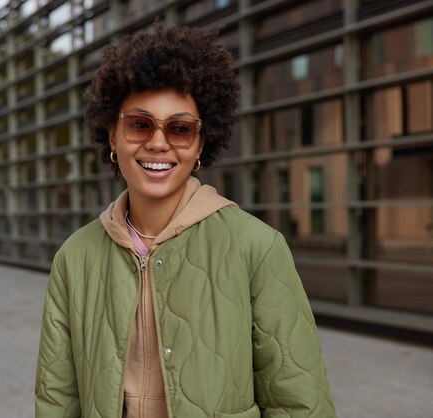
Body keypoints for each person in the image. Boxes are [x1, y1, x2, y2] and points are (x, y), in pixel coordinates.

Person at [35, 26, 336, 418]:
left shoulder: (256, 247)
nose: (158, 143)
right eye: (139, 124)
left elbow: (299, 402)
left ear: (200, 143)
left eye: (179, 129)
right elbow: (57, 401)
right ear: (112, 135)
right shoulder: (74, 258)